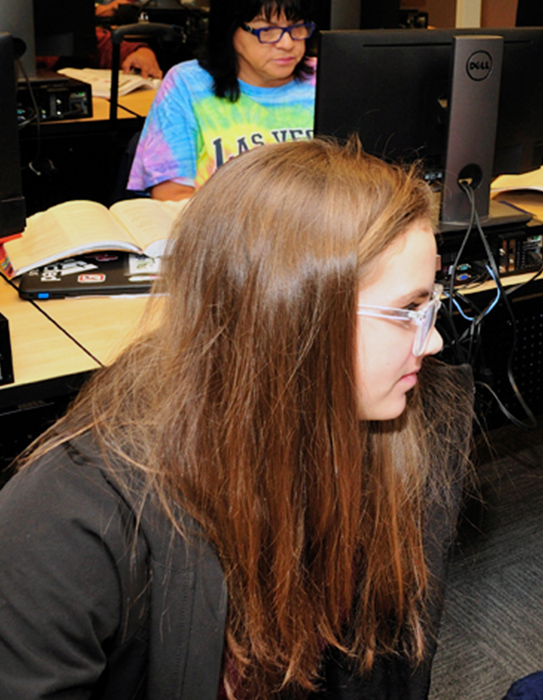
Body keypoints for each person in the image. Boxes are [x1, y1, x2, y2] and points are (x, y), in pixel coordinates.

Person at [0, 138, 473, 699]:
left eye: (431, 306)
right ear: (289, 318)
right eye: (407, 311)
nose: (436, 339)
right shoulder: (70, 523)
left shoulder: (396, 436)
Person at [128, 0, 317, 200]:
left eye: (297, 26)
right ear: (230, 29)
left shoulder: (329, 76)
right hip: (221, 229)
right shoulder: (188, 84)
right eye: (267, 30)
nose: (287, 44)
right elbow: (172, 195)